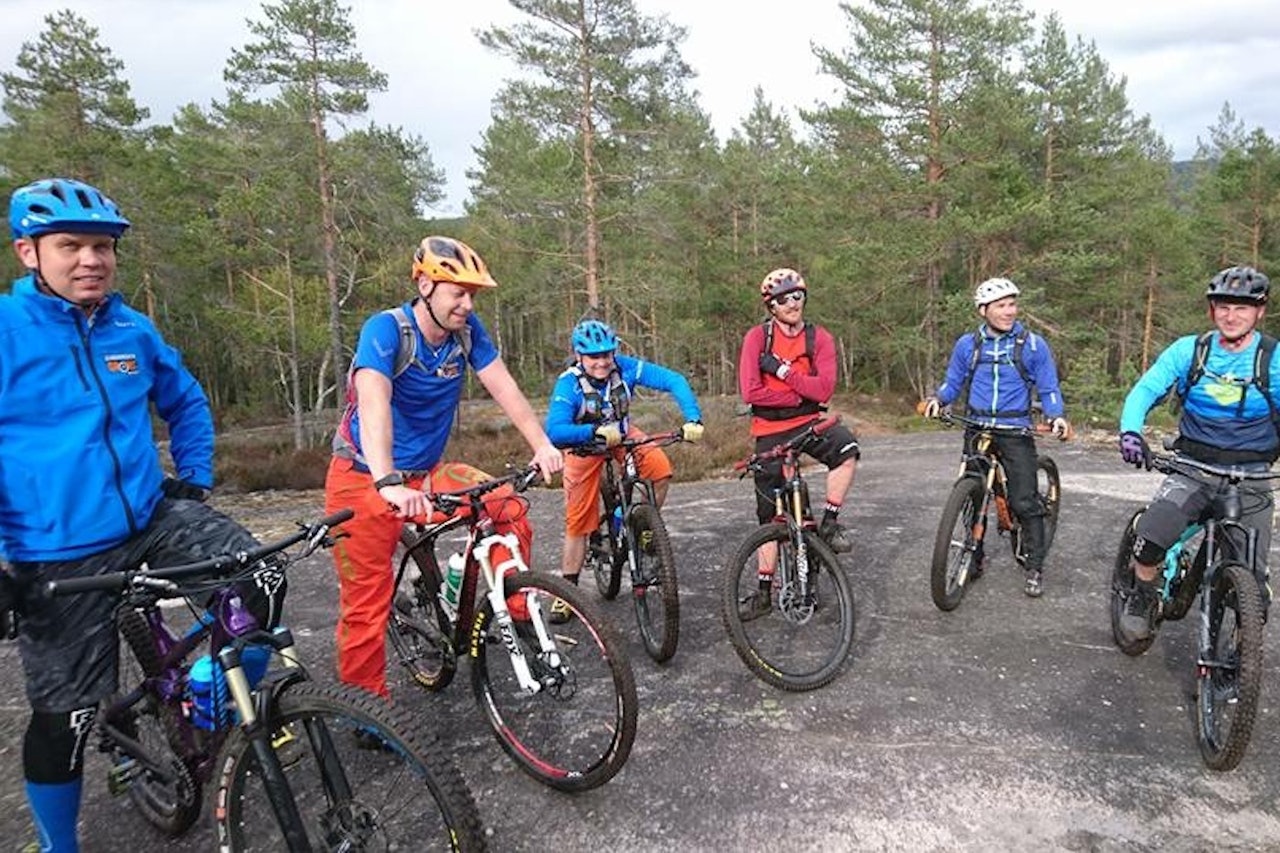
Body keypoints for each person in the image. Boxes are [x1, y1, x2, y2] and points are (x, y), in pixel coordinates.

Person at [1, 178, 282, 853]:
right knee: (64, 717)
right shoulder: (8, 333)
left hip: (151, 515)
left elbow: (184, 400)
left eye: (102, 246)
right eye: (70, 245)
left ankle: (209, 683)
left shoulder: (132, 326)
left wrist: (194, 478)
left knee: (262, 580)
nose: (91, 259)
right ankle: (56, 844)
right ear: (27, 253)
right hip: (56, 549)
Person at [325, 235, 563, 698]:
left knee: (505, 505)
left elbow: (504, 387)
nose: (468, 304)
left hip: (427, 474)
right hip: (362, 478)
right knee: (365, 604)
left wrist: (541, 443)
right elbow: (374, 403)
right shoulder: (387, 330)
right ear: (425, 284)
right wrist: (387, 481)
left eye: (473, 294)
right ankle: (366, 706)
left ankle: (515, 609)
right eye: (459, 292)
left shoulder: (467, 334)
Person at [1116, 265, 1277, 641]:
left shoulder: (1273, 359)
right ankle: (1141, 597)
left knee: (1251, 585)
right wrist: (1130, 432)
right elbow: (1144, 391)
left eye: (1243, 307)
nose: (1232, 316)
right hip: (1193, 467)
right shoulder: (1190, 351)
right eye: (1223, 307)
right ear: (1212, 310)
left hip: (1251, 473)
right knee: (1152, 537)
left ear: (1260, 311)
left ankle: (1241, 653)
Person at [543, 318, 704, 622]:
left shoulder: (625, 367)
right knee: (578, 521)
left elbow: (674, 380)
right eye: (594, 356)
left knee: (659, 468)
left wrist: (693, 418)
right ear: (579, 355)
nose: (602, 362)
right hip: (584, 445)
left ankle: (636, 523)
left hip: (622, 434)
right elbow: (554, 430)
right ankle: (567, 590)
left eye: (607, 354)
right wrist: (592, 433)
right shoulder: (569, 384)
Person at [921, 276, 1070, 598]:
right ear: (983, 310)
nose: (1009, 311)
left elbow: (1048, 386)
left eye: (1012, 304)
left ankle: (1034, 564)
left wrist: (1056, 415)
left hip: (1015, 430)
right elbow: (953, 381)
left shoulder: (1032, 345)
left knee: (1024, 500)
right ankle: (974, 558)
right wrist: (939, 400)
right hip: (976, 426)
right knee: (971, 493)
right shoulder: (968, 345)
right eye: (1001, 306)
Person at [739, 268, 861, 556]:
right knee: (768, 515)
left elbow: (823, 391)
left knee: (848, 449)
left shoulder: (819, 338)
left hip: (809, 424)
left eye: (798, 296)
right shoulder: (758, 338)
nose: (793, 304)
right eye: (783, 300)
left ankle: (830, 524)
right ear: (771, 307)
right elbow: (750, 392)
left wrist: (782, 370)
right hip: (769, 430)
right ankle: (765, 590)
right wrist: (799, 395)